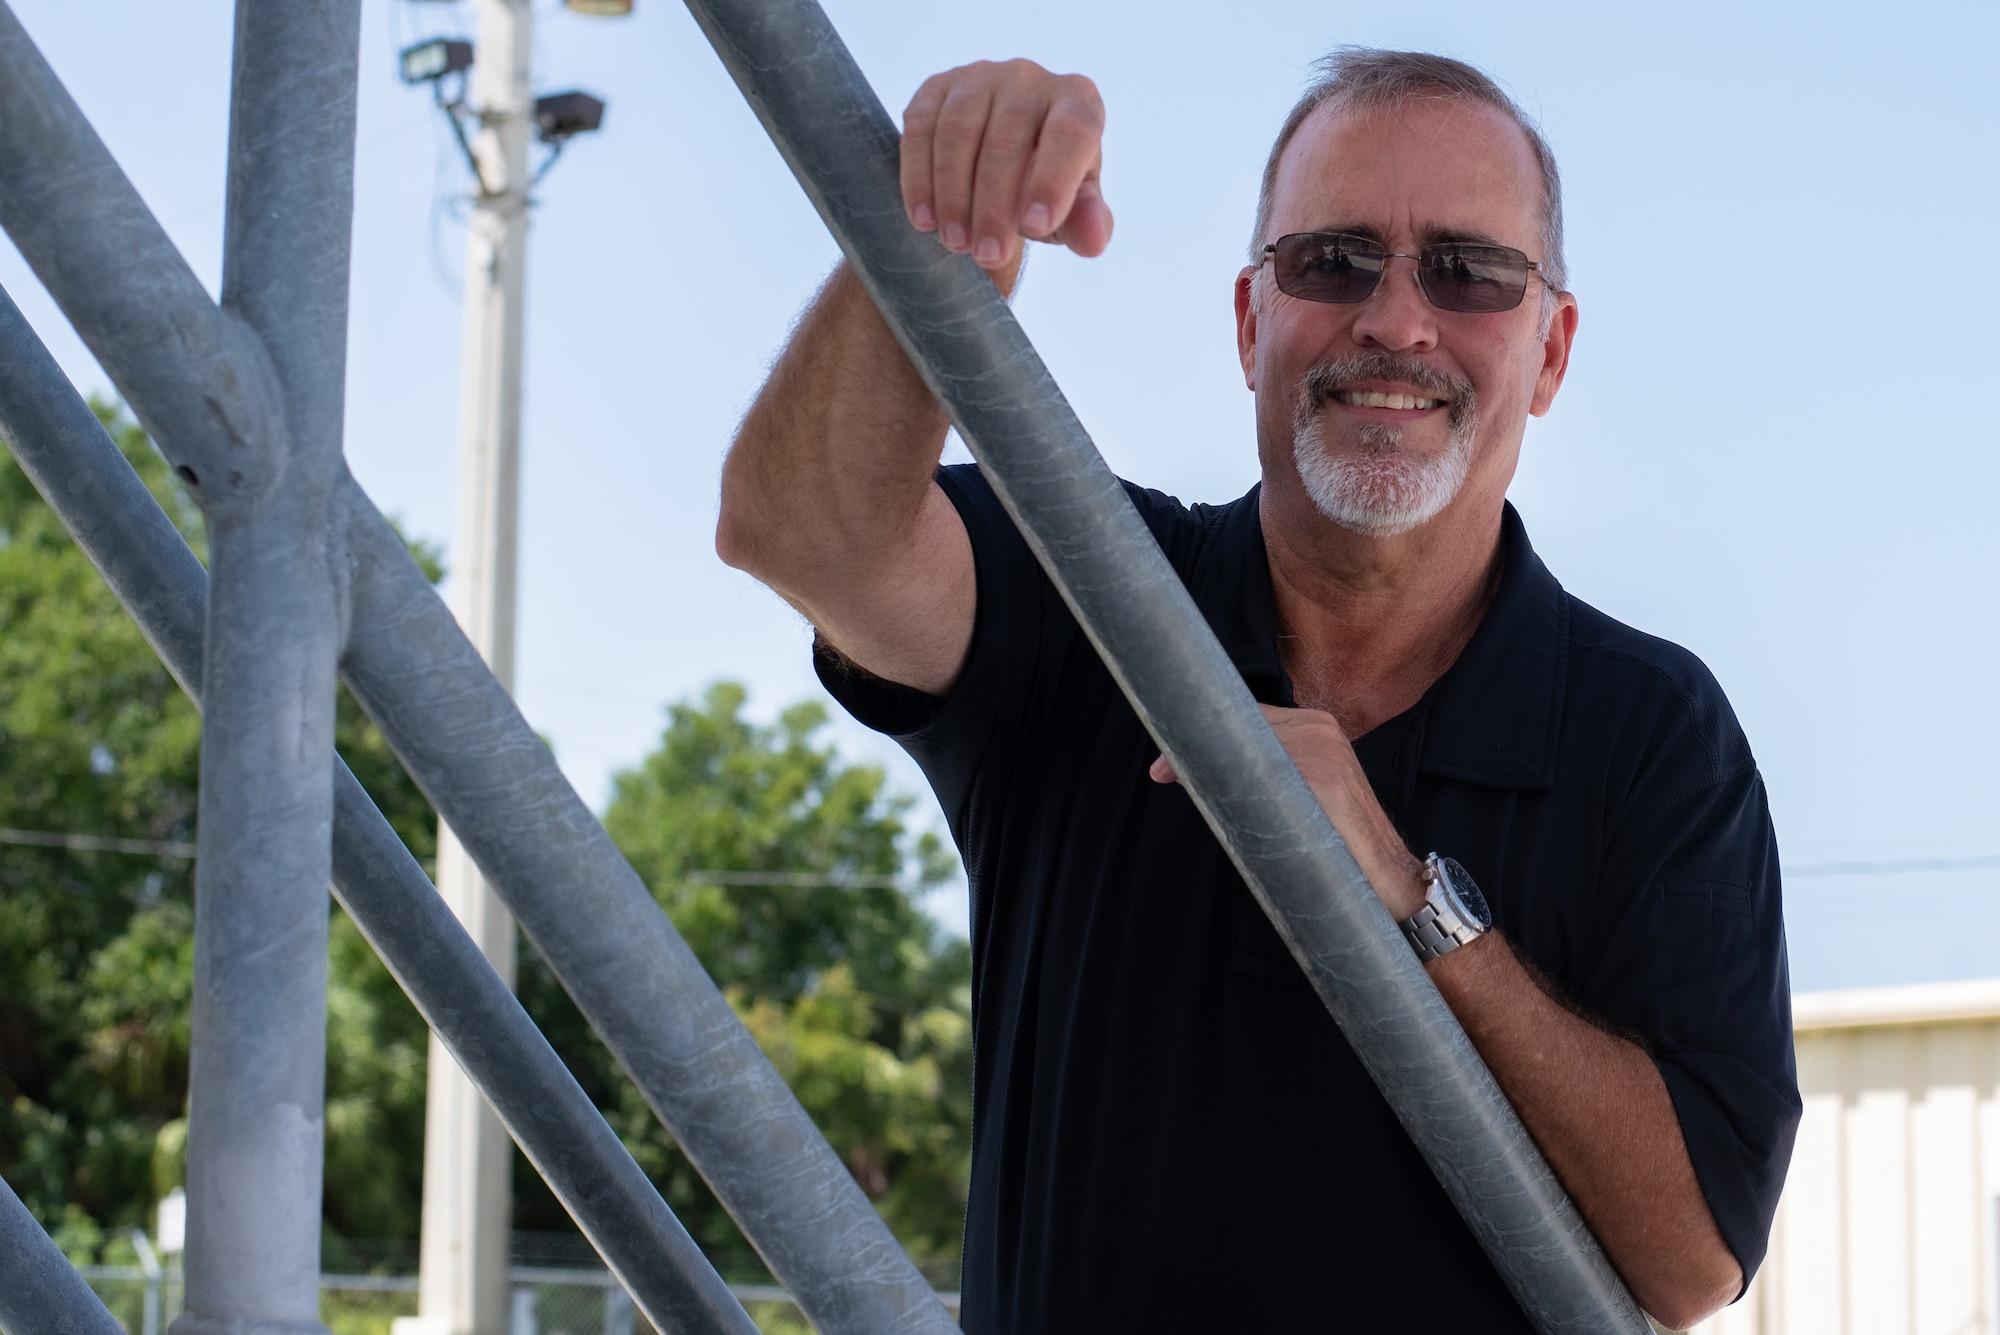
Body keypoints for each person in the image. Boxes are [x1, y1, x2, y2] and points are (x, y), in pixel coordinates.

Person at [716, 47, 1798, 1333]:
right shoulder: (1093, 595)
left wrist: (1406, 899)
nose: (1395, 321)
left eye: (1467, 273)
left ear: (1549, 351)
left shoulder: (1652, 733)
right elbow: (799, 535)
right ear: (1247, 323)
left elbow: (1691, 1261)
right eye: (1332, 261)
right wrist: (937, 247)